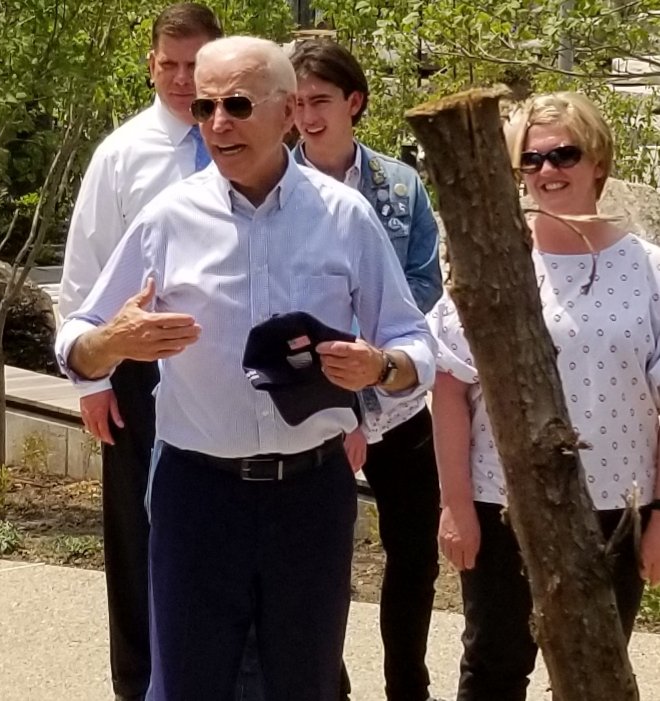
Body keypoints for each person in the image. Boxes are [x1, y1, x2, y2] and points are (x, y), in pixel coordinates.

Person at [55, 35, 436, 701]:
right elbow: (76, 338)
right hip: (196, 493)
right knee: (186, 685)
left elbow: (415, 346)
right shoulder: (168, 219)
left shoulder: (345, 217)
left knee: (306, 683)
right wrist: (110, 343)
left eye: (236, 104)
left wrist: (380, 365)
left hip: (310, 495)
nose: (217, 123)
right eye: (205, 107)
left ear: (288, 112)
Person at [428, 91, 660, 701]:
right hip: (500, 502)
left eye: (564, 155)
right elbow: (449, 385)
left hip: (616, 508)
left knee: (594, 671)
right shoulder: (490, 267)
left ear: (598, 162)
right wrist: (453, 505)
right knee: (494, 666)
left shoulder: (650, 270)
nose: (548, 171)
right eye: (531, 161)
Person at [57, 6, 222, 700]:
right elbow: (83, 271)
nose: (183, 80)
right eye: (171, 64)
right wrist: (90, 384)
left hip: (230, 368)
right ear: (151, 65)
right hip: (139, 369)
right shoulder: (122, 154)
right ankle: (139, 682)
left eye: (196, 65)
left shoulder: (254, 141)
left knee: (226, 535)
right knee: (138, 534)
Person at [290, 39, 443, 701]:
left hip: (397, 398)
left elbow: (424, 286)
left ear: (353, 102)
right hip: (314, 406)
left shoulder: (401, 187)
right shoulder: (275, 191)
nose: (306, 116)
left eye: (319, 100)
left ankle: (407, 681)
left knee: (415, 554)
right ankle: (332, 684)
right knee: (320, 560)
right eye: (293, 103)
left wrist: (373, 360)